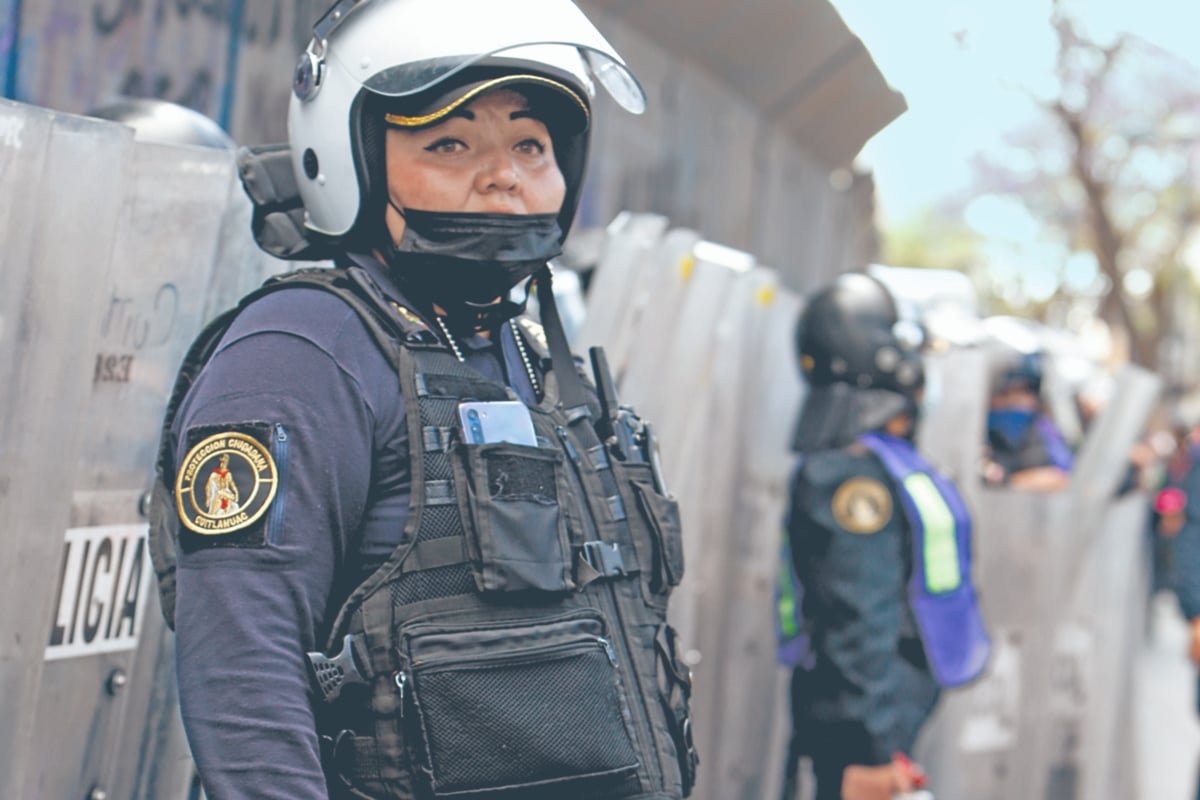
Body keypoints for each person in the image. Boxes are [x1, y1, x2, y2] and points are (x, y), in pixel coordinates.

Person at [146, 2, 696, 798]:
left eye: (530, 145)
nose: (503, 172)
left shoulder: (531, 358)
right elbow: (242, 668)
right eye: (450, 142)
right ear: (351, 157)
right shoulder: (304, 352)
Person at [776, 274, 991, 800]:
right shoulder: (850, 475)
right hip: (864, 728)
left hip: (886, 713)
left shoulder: (877, 463)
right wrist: (868, 749)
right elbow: (857, 616)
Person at [981, 349, 1072, 491]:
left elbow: (1063, 475)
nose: (1023, 401)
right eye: (1014, 392)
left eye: (1027, 392)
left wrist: (1015, 482)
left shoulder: (1041, 427)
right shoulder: (981, 428)